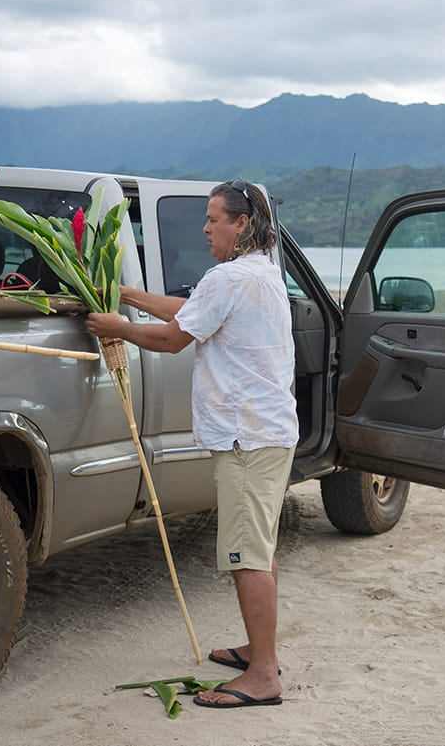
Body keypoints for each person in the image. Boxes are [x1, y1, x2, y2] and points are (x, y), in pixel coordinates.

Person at [86, 179, 297, 709]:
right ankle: (258, 650)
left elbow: (173, 337)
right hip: (267, 431)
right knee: (260, 547)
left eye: (213, 219)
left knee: (247, 555)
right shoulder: (258, 273)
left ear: (241, 223)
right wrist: (130, 297)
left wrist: (115, 325)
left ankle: (264, 676)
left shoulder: (229, 277)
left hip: (247, 436)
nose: (205, 228)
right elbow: (190, 311)